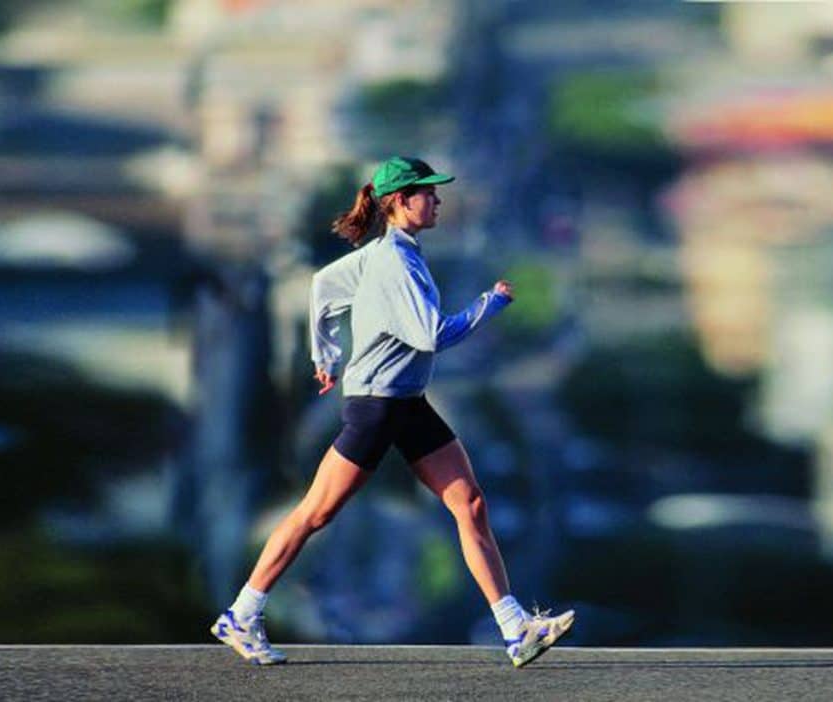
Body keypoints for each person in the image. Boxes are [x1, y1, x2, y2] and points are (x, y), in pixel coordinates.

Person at [210, 156, 574, 668]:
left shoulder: (388, 252)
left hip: (408, 403)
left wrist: (326, 356)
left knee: (469, 505)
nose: (438, 200)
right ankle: (242, 614)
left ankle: (516, 628)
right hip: (378, 408)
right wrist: (489, 304)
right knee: (316, 513)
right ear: (400, 202)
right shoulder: (394, 264)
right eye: (429, 192)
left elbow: (322, 286)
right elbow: (431, 335)